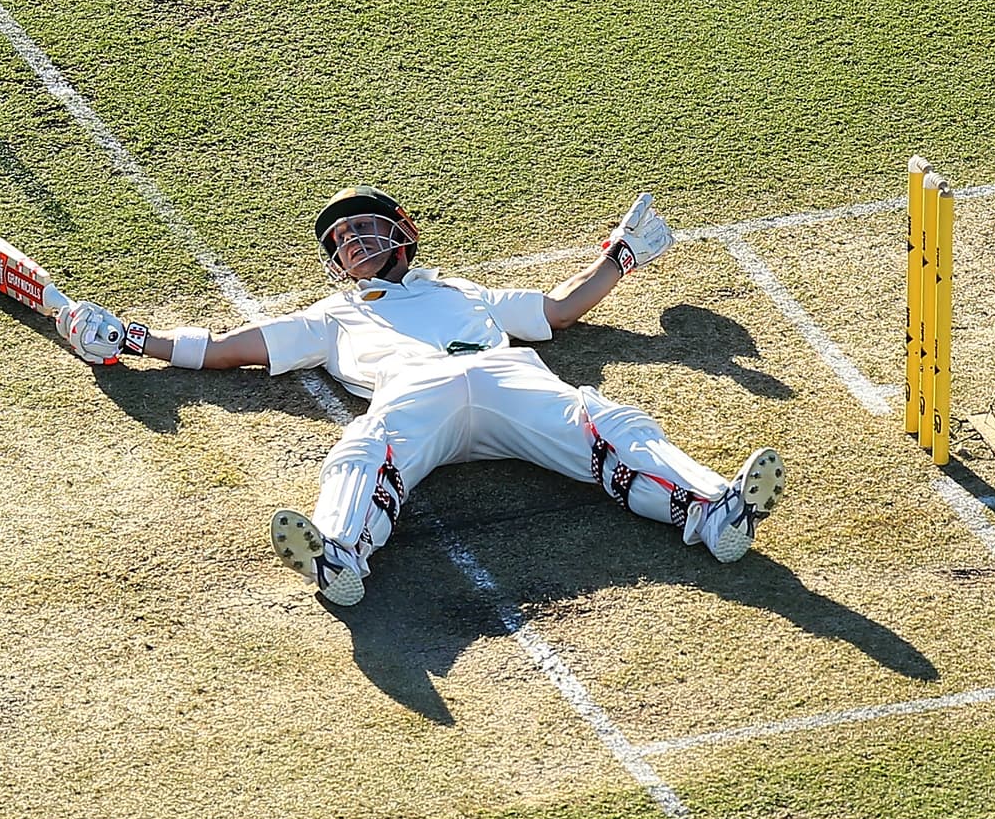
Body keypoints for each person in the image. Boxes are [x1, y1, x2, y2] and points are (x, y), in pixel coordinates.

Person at [55, 186, 785, 606]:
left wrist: (620, 255)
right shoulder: (330, 316)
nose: (350, 243)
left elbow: (561, 310)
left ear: (402, 231)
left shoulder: (467, 291)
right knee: (363, 447)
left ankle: (714, 510)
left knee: (605, 419)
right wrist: (134, 338)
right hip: (414, 395)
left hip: (508, 378)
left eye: (361, 227)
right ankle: (338, 555)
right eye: (339, 241)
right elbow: (225, 348)